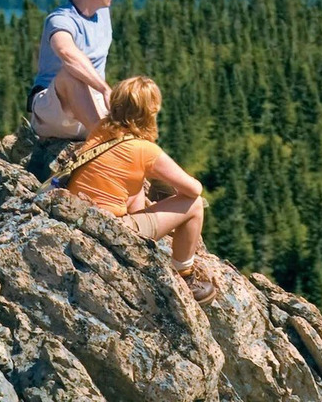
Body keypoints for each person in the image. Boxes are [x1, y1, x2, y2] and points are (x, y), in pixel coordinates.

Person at [53, 76, 216, 301]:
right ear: (149, 113)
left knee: (134, 183)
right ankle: (185, 274)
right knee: (195, 205)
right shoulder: (144, 150)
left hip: (80, 218)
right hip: (110, 231)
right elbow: (194, 189)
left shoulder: (102, 129)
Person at [28, 0, 121, 141]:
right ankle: (104, 139)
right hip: (55, 112)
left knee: (143, 92)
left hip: (92, 106)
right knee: (72, 73)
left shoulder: (102, 13)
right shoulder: (61, 20)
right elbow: (66, 52)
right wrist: (104, 89)